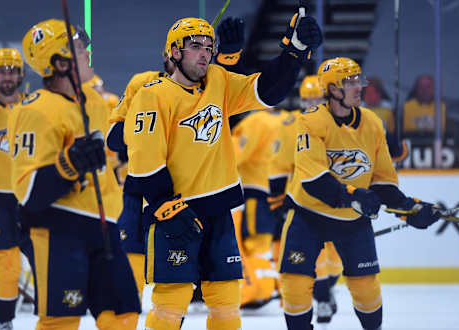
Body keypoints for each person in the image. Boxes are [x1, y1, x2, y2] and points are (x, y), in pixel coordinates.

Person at [122, 9, 322, 330]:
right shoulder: (152, 95)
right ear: (175, 51)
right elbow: (145, 159)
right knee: (171, 305)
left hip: (218, 211)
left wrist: (294, 51)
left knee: (227, 304)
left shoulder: (219, 82)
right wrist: (164, 205)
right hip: (176, 212)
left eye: (208, 47)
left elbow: (266, 90)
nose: (205, 53)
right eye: (196, 46)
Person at [278, 57, 442, 330]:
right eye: (349, 82)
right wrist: (355, 194)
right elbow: (314, 180)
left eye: (358, 81)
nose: (358, 87)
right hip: (309, 216)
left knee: (366, 290)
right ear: (332, 89)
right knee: (294, 285)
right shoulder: (310, 121)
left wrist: (409, 209)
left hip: (352, 219)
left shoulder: (373, 123)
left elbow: (382, 182)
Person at [9, 19, 140, 329]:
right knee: (61, 321)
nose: (87, 53)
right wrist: (70, 162)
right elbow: (26, 192)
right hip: (60, 229)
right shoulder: (34, 111)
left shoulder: (93, 101)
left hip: (105, 223)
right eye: (80, 49)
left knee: (123, 316)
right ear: (59, 62)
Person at [268, 75, 342, 325]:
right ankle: (321, 298)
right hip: (304, 200)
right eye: (306, 99)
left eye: (316, 99)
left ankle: (326, 289)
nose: (311, 104)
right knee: (317, 256)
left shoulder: (341, 122)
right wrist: (278, 200)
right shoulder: (291, 125)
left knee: (336, 260)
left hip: (338, 198)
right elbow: (279, 166)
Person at [231, 107, 286, 308]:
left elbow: (235, 154)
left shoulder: (255, 122)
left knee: (254, 245)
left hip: (254, 191)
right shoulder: (285, 121)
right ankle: (266, 288)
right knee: (264, 247)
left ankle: (255, 291)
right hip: (274, 193)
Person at [0, 48, 26, 330]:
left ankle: (55, 316)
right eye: (2, 70)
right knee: (6, 261)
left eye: (13, 70)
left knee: (45, 259)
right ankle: (3, 320)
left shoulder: (32, 106)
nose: (7, 76)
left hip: (30, 194)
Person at [362, 77, 408, 161]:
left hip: (384, 146)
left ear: (379, 94)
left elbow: (392, 131)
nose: (368, 96)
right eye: (366, 93)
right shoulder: (357, 109)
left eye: (372, 93)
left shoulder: (388, 109)